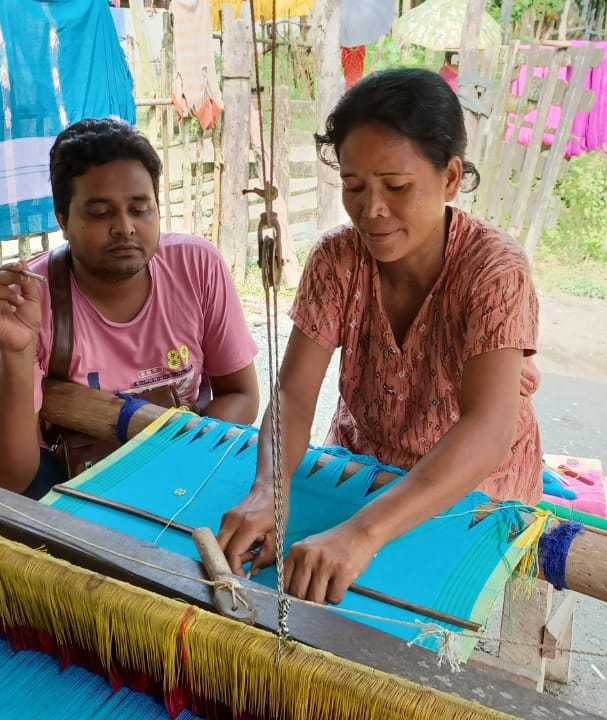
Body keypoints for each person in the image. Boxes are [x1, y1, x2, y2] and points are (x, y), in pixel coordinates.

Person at [216, 69, 542, 605]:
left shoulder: (494, 271)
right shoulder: (337, 259)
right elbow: (294, 392)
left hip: (471, 485)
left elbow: (487, 430)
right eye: (354, 187)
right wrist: (269, 490)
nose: (371, 210)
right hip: (361, 463)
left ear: (451, 178)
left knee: (396, 622)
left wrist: (362, 533)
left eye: (397, 187)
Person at [0, 117, 260, 499]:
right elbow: (5, 479)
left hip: (186, 470)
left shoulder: (197, 267)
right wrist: (18, 354)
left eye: (140, 209)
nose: (125, 227)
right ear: (63, 220)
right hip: (74, 492)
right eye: (101, 213)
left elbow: (241, 395)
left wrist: (170, 463)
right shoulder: (20, 308)